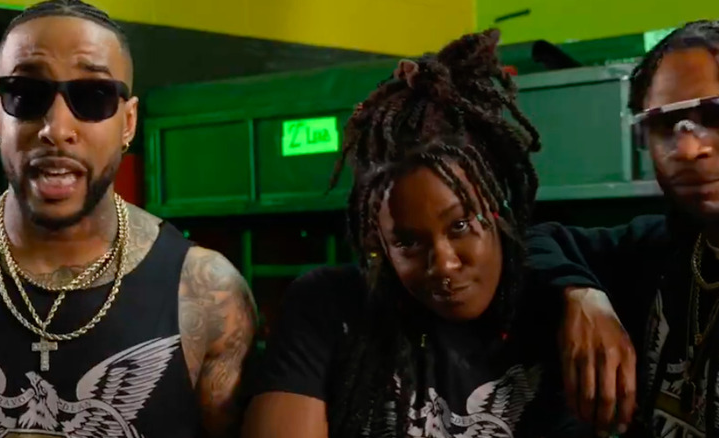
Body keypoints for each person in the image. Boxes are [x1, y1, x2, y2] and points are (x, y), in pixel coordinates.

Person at [242, 29, 588, 438]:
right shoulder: (328, 305)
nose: (443, 263)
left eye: (460, 225)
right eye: (408, 242)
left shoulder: (555, 296)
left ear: (497, 209)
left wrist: (586, 296)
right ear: (378, 241)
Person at [0, 1, 256, 437]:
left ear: (128, 123)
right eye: (26, 93)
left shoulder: (207, 294)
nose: (57, 128)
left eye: (93, 97)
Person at [527, 19, 719, 437]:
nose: (688, 148)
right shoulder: (658, 248)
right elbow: (533, 241)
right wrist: (582, 296)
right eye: (663, 124)